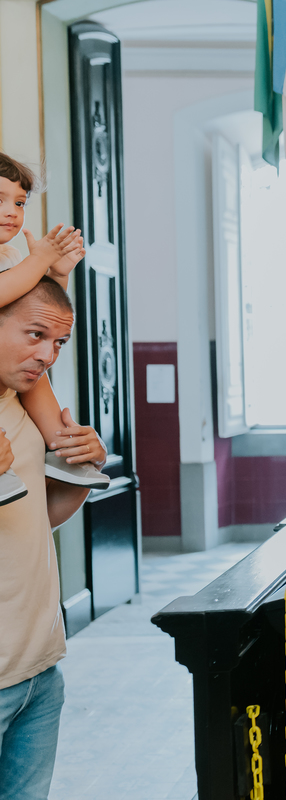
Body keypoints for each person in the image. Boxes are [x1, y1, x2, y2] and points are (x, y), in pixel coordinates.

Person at [0, 276, 107, 800]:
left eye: (59, 343)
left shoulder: (23, 409)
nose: (48, 355)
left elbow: (37, 519)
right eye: (35, 335)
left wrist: (86, 469)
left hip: (40, 669)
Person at [0, 152, 109, 507]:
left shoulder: (12, 258)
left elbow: (34, 312)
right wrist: (39, 261)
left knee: (37, 382)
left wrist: (57, 274)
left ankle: (64, 450)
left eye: (20, 202)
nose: (12, 212)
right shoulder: (22, 263)